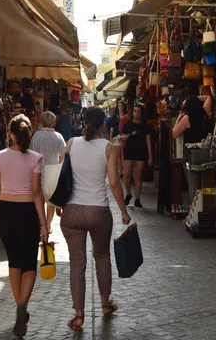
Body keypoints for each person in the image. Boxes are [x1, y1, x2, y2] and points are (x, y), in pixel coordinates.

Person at [0, 114, 48, 339]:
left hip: (5, 214)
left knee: (14, 262)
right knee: (30, 265)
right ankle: (22, 306)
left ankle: (20, 308)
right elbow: (37, 194)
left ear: (10, 134)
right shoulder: (36, 158)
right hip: (27, 214)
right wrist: (44, 224)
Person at [60, 106, 131, 332]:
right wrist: (123, 211)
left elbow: (60, 176)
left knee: (77, 262)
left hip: (72, 211)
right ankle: (105, 304)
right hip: (98, 211)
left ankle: (79, 315)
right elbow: (113, 182)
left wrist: (56, 205)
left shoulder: (70, 143)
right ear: (103, 125)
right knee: (101, 256)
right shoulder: (108, 148)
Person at [30, 110, 66, 233]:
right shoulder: (58, 137)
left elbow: (31, 154)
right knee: (50, 201)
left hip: (38, 172)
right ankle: (48, 225)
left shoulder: (36, 136)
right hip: (53, 172)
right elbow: (63, 154)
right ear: (53, 123)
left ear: (42, 122)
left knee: (38, 198)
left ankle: (41, 224)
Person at [121, 104, 153, 208]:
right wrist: (125, 137)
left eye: (139, 111)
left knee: (138, 176)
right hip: (129, 151)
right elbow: (121, 137)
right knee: (127, 175)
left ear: (141, 113)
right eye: (135, 111)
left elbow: (148, 141)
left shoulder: (145, 125)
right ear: (132, 113)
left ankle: (137, 199)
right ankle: (128, 194)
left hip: (141, 152)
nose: (137, 114)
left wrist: (150, 156)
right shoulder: (127, 124)